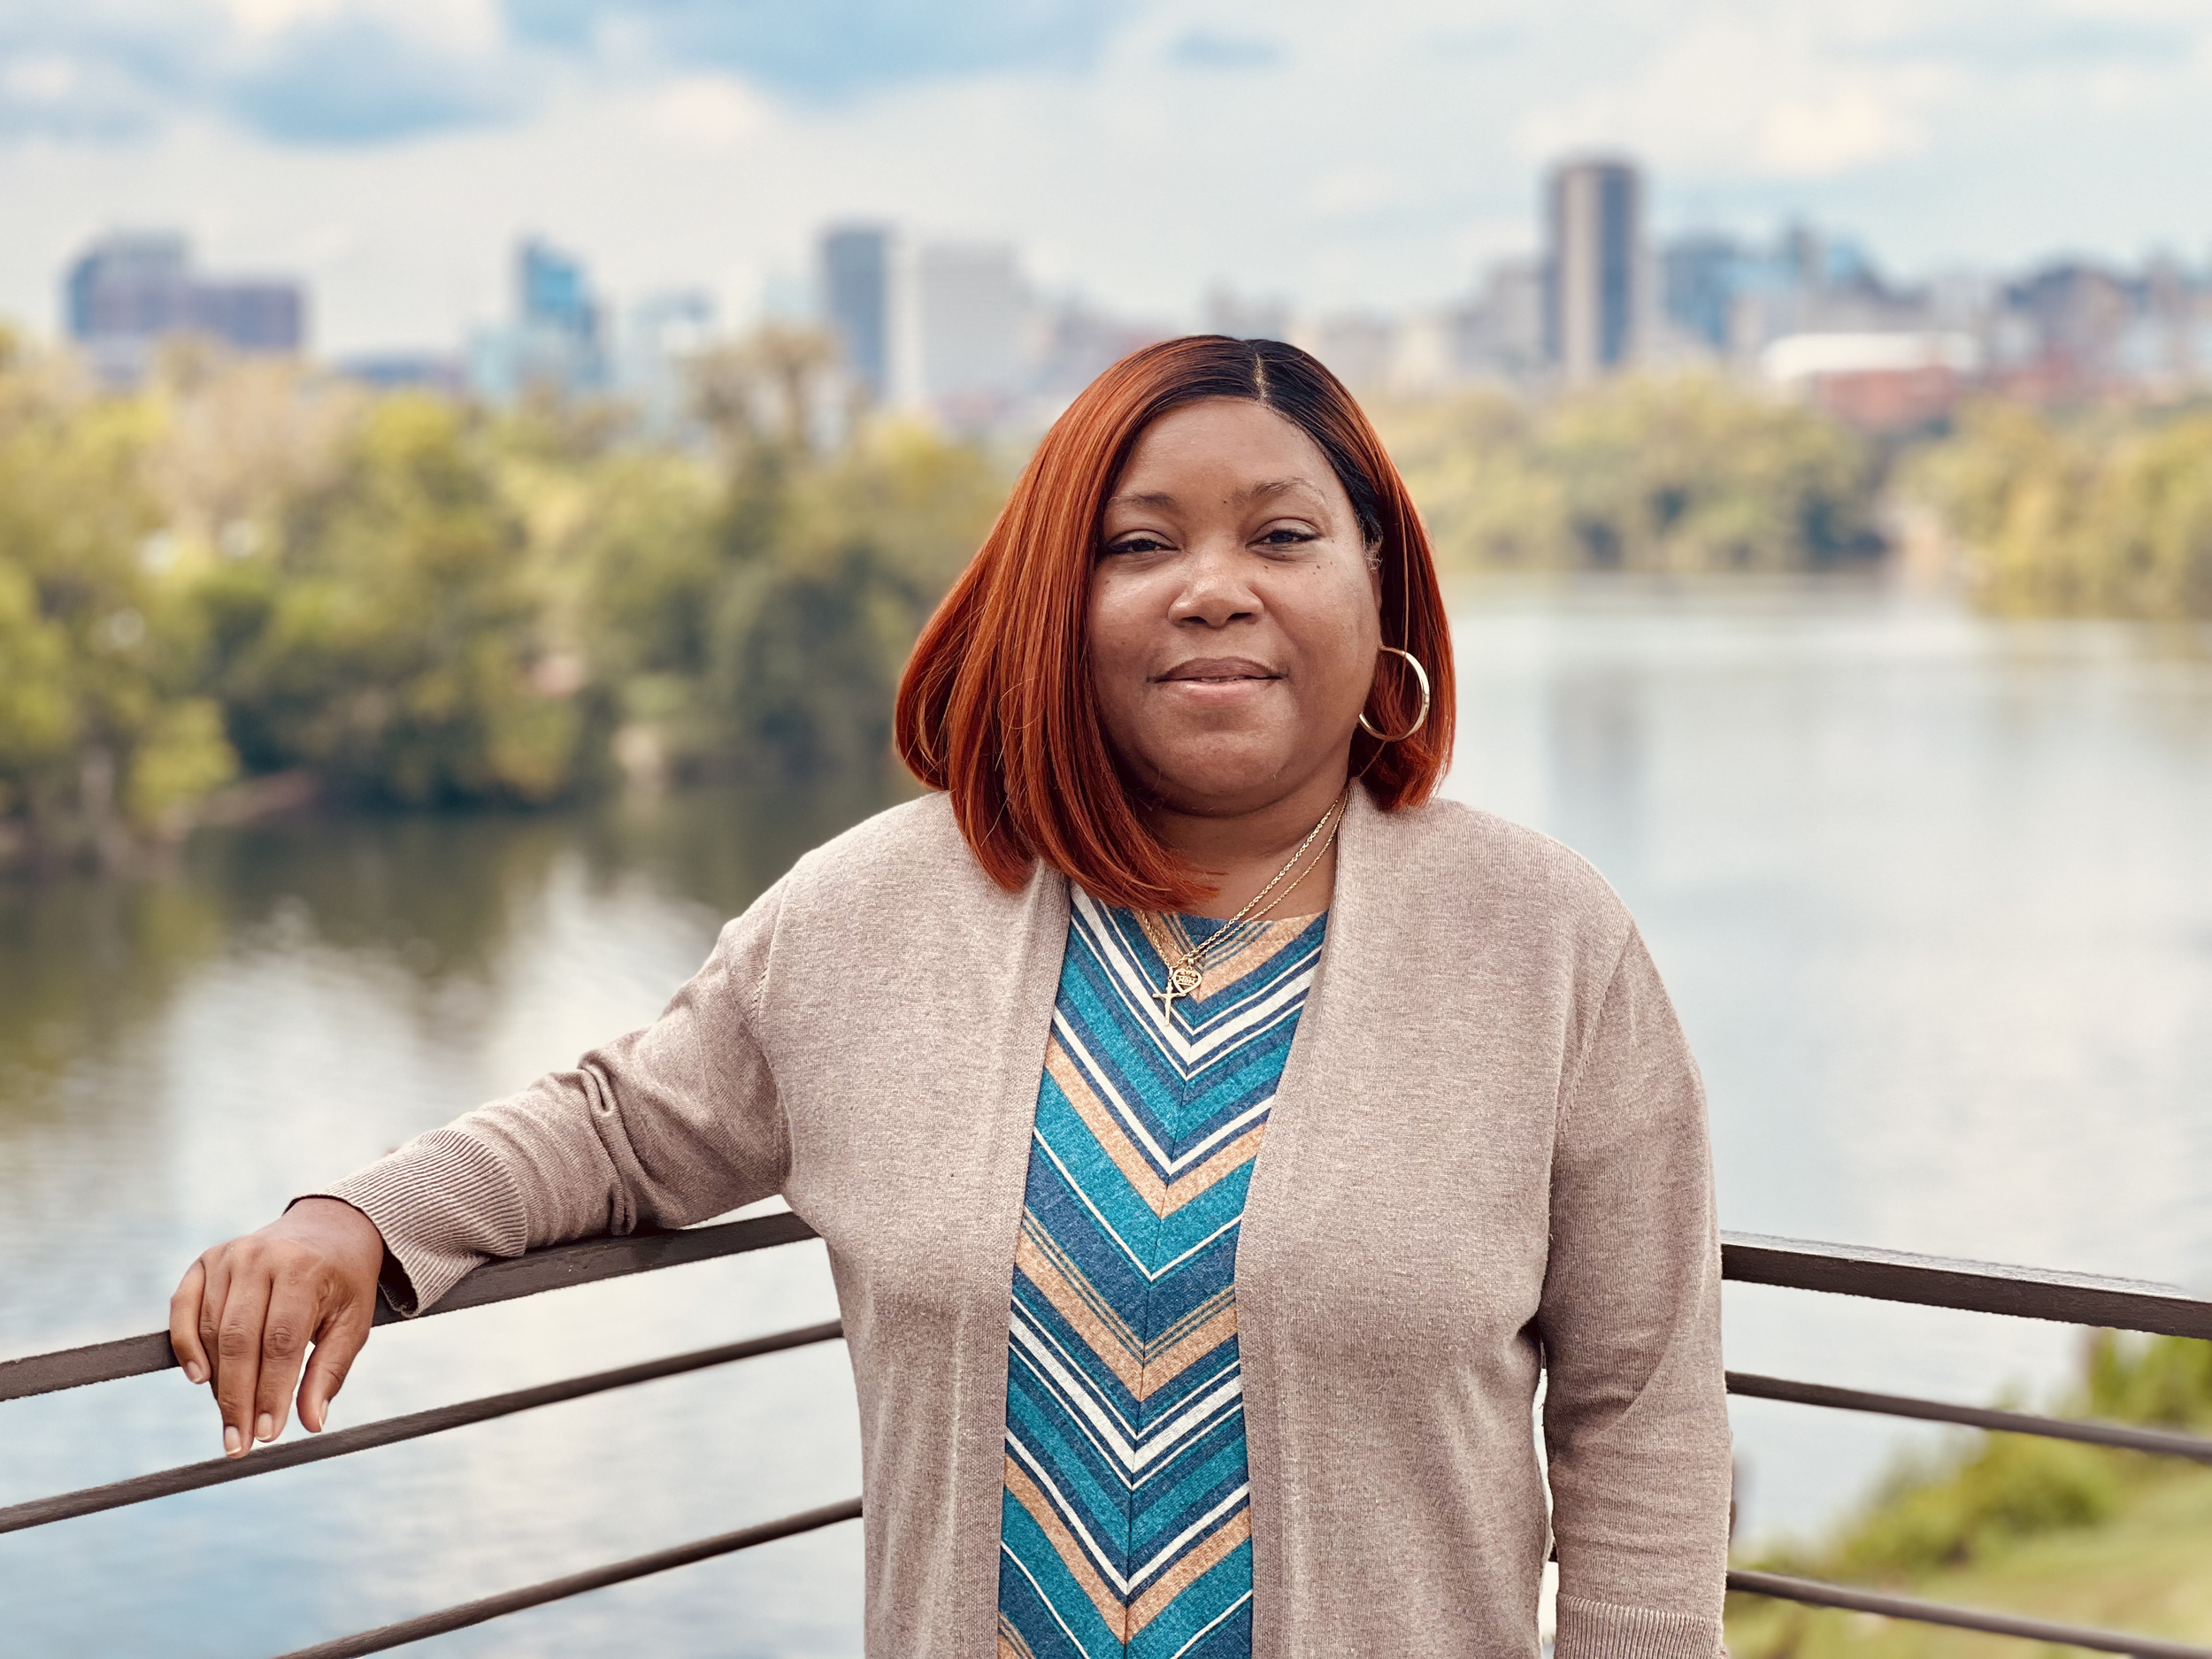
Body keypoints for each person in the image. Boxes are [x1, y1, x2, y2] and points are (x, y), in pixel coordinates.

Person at [169, 336, 1731, 1658]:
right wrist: (355, 1222)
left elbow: (1640, 1415)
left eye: (1282, 535)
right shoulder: (874, 914)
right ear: (1061, 597)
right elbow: (618, 1131)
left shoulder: (1542, 940)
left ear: (1380, 582)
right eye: (1140, 544)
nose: (1212, 590)